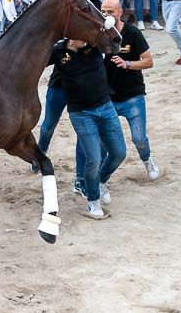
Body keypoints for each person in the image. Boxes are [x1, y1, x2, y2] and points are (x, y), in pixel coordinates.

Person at [48, 37, 126, 220]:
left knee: (119, 153)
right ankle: (93, 201)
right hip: (81, 113)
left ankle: (100, 181)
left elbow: (114, 41)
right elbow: (33, 59)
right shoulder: (58, 51)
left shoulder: (95, 44)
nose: (85, 38)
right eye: (80, 35)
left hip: (106, 107)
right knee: (94, 158)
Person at [102, 0, 159, 181]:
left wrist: (127, 63)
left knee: (139, 138)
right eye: (103, 11)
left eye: (110, 12)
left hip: (132, 95)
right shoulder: (98, 34)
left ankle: (147, 159)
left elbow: (149, 61)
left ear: (120, 12)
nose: (106, 15)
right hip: (107, 98)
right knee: (103, 142)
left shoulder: (132, 33)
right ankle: (101, 178)